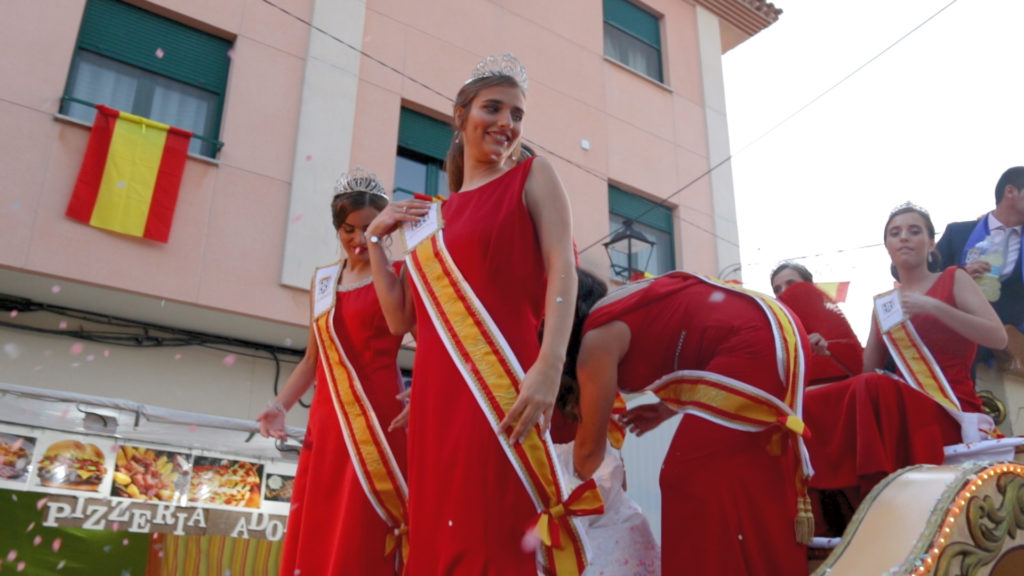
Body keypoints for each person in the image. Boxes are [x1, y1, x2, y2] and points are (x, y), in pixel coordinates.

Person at [366, 54, 585, 575]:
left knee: (495, 531)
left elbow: (563, 269)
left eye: (517, 114)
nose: (507, 124)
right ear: (461, 115)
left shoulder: (533, 175)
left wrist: (550, 366)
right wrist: (377, 239)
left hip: (508, 385)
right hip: (437, 401)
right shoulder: (427, 222)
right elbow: (400, 322)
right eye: (494, 108)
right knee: (442, 536)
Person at [574, 271, 813, 576]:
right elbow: (701, 335)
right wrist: (666, 408)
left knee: (687, 480)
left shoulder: (597, 337)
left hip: (757, 342)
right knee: (747, 478)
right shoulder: (622, 307)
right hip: (779, 331)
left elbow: (588, 453)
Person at [804, 203, 1007, 512]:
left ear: (931, 243)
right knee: (812, 400)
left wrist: (936, 308)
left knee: (874, 389)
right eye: (895, 233)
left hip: (950, 407)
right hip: (901, 411)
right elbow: (865, 371)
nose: (904, 238)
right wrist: (824, 351)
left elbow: (998, 337)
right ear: (887, 247)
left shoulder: (954, 278)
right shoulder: (884, 305)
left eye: (915, 231)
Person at [256, 169, 409, 575]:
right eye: (348, 230)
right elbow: (313, 357)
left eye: (369, 229)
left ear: (385, 226)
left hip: (379, 414)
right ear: (336, 228)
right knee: (323, 521)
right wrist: (279, 405)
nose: (358, 240)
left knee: (365, 521)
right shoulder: (323, 281)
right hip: (328, 419)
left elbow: (420, 339)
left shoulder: (401, 276)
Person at [546, 268, 661, 576]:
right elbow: (616, 469)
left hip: (566, 515)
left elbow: (600, 459)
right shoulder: (593, 371)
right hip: (586, 517)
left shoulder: (589, 367)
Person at [935, 166, 1024, 367]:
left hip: (1010, 355)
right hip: (952, 343)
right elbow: (923, 274)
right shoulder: (959, 232)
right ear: (1010, 191)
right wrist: (957, 277)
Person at [770, 262, 863, 385]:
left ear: (809, 286)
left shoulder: (836, 324)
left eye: (791, 284)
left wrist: (831, 353)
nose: (784, 292)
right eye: (777, 290)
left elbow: (862, 371)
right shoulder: (776, 334)